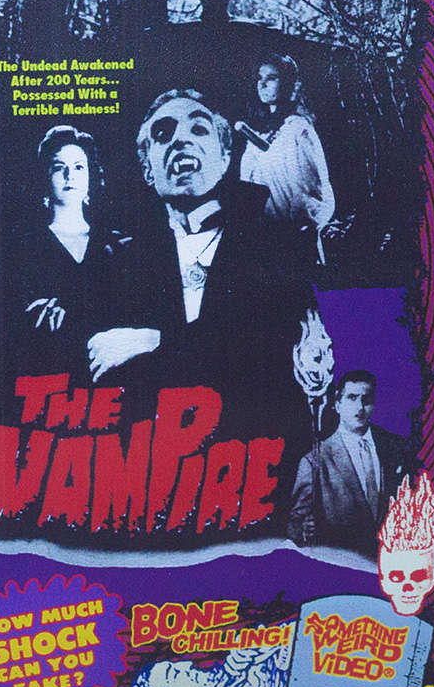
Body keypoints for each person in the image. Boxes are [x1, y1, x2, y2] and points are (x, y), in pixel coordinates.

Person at [86, 89, 315, 503]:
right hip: (154, 489)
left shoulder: (274, 244)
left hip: (256, 481)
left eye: (198, 129)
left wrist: (154, 341)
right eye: (163, 134)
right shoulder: (119, 264)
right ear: (148, 169)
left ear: (225, 157)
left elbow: (270, 355)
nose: (181, 140)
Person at [4, 126, 131, 379]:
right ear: (45, 177)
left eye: (79, 167)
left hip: (110, 379)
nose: (69, 175)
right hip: (46, 378)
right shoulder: (23, 249)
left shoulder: (117, 246)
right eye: (58, 167)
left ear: (91, 177)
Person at [288, 371, 411, 558]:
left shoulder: (395, 447)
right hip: (345, 564)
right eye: (352, 398)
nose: (360, 407)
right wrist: (305, 530)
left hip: (393, 562)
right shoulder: (315, 462)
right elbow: (296, 526)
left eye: (366, 399)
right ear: (337, 404)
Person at [237, 53, 334, 256]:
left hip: (293, 244)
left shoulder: (298, 130)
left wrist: (296, 233)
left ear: (287, 84)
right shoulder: (258, 133)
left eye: (271, 78)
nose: (262, 84)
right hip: (262, 242)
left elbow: (313, 193)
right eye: (259, 78)